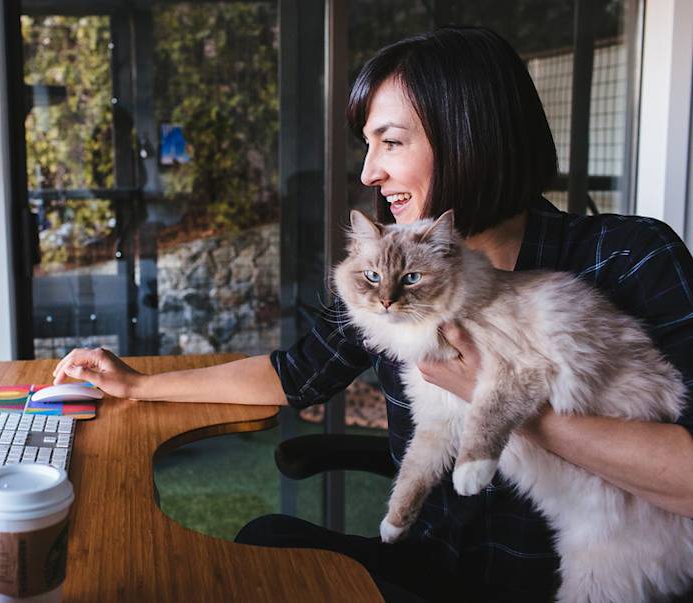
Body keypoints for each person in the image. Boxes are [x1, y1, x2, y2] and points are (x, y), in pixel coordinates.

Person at [53, 27, 693, 602]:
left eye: (390, 142)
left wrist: (501, 400)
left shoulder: (629, 257)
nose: (370, 172)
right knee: (265, 541)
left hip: (571, 575)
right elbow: (296, 373)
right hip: (432, 563)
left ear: (473, 136)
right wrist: (138, 383)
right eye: (369, 146)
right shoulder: (391, 271)